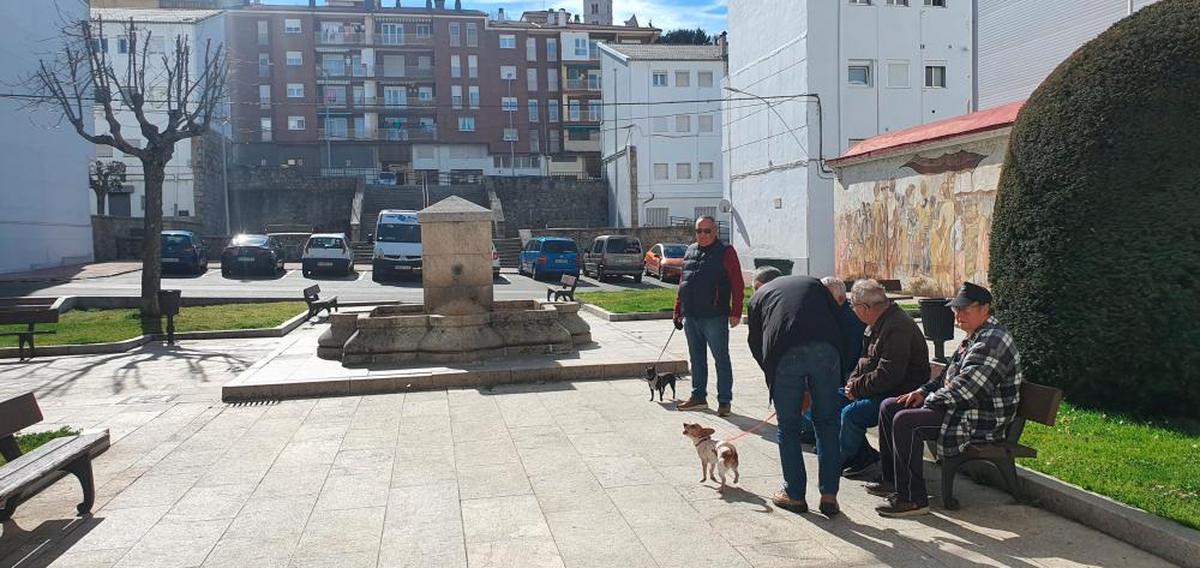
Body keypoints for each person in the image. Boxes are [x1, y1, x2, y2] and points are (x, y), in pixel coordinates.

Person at [869, 282, 1022, 518]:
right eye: (956, 310)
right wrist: (921, 392)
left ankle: (913, 499)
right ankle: (893, 482)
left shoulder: (993, 341)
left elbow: (966, 390)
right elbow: (945, 378)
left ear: (985, 309)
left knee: (906, 421)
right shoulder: (974, 336)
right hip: (960, 410)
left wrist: (928, 399)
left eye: (964, 309)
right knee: (890, 406)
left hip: (980, 419)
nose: (958, 315)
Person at [747, 271, 845, 516]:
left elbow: (756, 343)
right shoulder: (813, 282)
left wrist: (775, 377)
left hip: (784, 355)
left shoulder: (759, 296)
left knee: (788, 428)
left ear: (760, 285)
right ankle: (829, 495)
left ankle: (795, 495)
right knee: (828, 424)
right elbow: (839, 317)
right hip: (826, 350)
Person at [840, 279, 930, 478]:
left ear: (864, 308)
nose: (853, 310)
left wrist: (857, 389)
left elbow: (889, 374)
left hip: (900, 393)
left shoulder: (897, 326)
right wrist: (852, 383)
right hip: (879, 388)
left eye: (853, 306)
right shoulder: (877, 323)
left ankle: (845, 458)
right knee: (828, 400)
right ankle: (861, 456)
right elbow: (865, 361)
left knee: (851, 414)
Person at [674, 216, 745, 417]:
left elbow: (737, 283)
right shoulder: (690, 250)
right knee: (696, 359)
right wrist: (678, 309)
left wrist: (736, 311)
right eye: (699, 231)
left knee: (721, 359)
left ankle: (724, 401)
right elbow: (683, 282)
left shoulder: (726, 252)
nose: (703, 235)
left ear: (715, 232)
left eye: (707, 231)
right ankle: (698, 397)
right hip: (691, 315)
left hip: (715, 316)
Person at [797, 278, 867, 444]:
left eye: (824, 297)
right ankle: (811, 429)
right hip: (835, 366)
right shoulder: (828, 313)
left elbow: (850, 354)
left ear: (840, 299)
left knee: (816, 387)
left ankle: (823, 433)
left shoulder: (850, 318)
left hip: (849, 371)